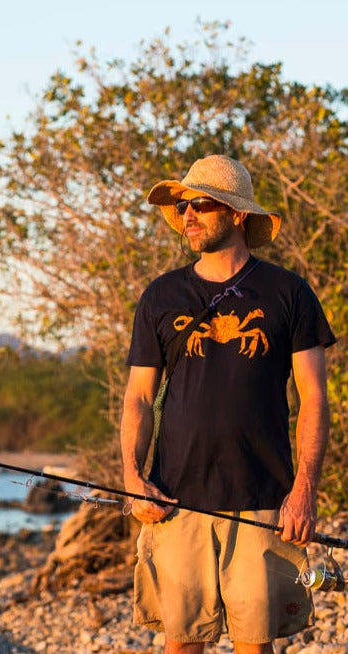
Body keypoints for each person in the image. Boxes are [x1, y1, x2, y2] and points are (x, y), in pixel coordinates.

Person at [120, 154, 336, 653]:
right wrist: (133, 478)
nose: (187, 215)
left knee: (254, 645)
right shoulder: (161, 295)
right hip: (175, 497)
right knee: (181, 643)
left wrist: (304, 489)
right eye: (183, 205)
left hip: (263, 497)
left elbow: (314, 399)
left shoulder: (289, 293)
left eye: (201, 204)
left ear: (237, 213)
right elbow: (138, 396)